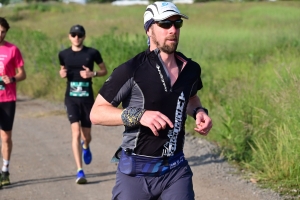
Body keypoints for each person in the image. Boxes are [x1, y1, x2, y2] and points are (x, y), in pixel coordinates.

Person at [90, 1, 213, 199]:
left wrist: (199, 112)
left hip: (175, 171)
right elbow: (96, 113)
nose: (173, 30)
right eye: (165, 24)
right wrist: (139, 115)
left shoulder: (191, 69)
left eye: (177, 23)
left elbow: (190, 97)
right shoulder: (131, 70)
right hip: (135, 172)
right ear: (149, 30)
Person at [58, 24, 107, 184]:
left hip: (87, 99)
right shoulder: (63, 54)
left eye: (79, 35)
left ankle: (86, 146)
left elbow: (104, 70)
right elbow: (62, 70)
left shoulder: (92, 53)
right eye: (73, 34)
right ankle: (80, 171)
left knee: (86, 136)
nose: (76, 37)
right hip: (71, 98)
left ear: (84, 36)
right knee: (75, 132)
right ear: (69, 36)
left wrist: (92, 73)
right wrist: (62, 73)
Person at [0, 17, 26, 188]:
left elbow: (22, 74)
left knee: (6, 137)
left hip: (7, 99)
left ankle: (5, 170)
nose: (0, 34)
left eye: (3, 32)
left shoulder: (12, 49)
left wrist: (12, 78)